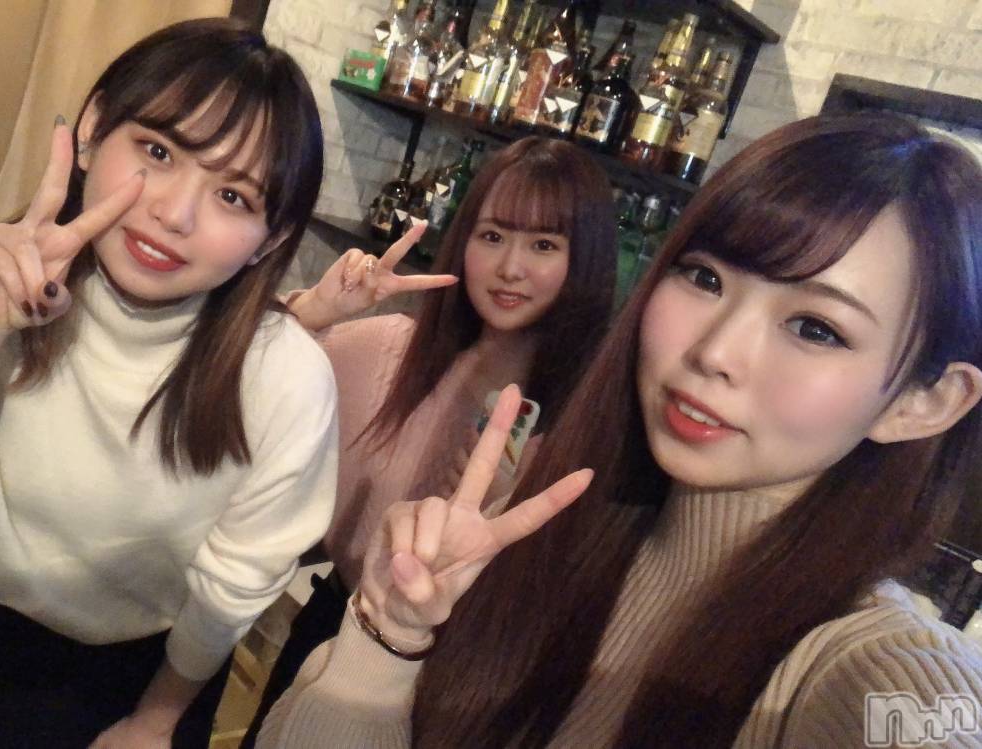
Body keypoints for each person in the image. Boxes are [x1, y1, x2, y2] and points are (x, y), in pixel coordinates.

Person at [257, 113, 982, 748]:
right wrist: (389, 636)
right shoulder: (547, 529)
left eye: (816, 327)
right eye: (705, 278)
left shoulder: (872, 666)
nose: (714, 351)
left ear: (924, 402)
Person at [0, 18, 337, 749]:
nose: (174, 213)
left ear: (270, 239)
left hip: (141, 677)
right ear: (92, 129)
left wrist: (154, 721)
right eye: (158, 150)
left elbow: (231, 589)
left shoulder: (284, 378)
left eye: (233, 196)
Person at [240, 136, 618, 746]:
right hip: (339, 637)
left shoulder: (590, 425)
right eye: (492, 235)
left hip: (467, 687)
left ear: (587, 261)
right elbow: (240, 359)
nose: (510, 267)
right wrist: (320, 307)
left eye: (544, 244)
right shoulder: (390, 350)